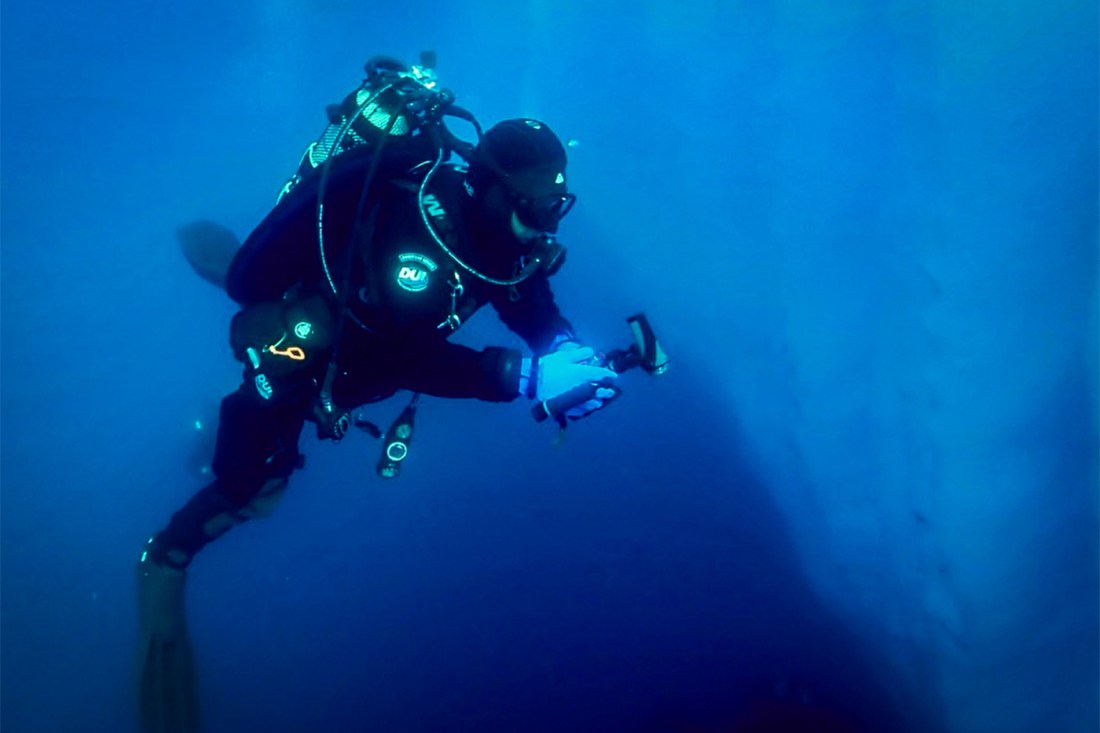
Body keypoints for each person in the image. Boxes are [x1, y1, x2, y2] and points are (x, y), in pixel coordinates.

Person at [136, 57, 619, 733]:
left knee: (279, 452)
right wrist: (527, 378)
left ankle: (215, 418)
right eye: (534, 207)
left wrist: (561, 347)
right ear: (489, 191)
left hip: (368, 363)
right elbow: (404, 356)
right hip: (321, 356)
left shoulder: (503, 239)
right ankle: (165, 555)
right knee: (256, 482)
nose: (547, 226)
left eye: (556, 207)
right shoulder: (419, 244)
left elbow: (523, 295)